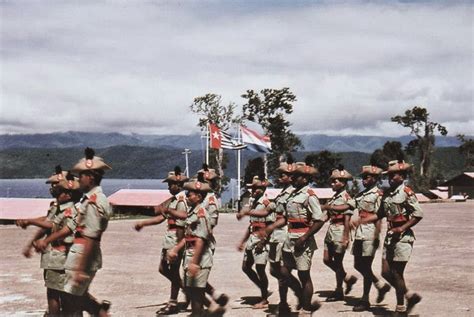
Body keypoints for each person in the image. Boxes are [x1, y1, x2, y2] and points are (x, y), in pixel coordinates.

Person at [17, 166, 80, 316]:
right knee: (56, 293)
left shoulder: (70, 209)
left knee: (57, 295)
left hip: (61, 257)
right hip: (54, 257)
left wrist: (30, 221)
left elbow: (52, 224)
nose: (54, 190)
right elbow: (46, 223)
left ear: (68, 193)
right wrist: (30, 243)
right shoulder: (57, 207)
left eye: (57, 188)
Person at [362, 159, 423, 314]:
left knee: (397, 273)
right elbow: (380, 214)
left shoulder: (406, 192)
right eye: (388, 175)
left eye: (393, 175)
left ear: (402, 176)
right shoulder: (387, 194)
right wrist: (361, 221)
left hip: (403, 238)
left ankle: (401, 308)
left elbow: (418, 214)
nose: (389, 178)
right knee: (385, 272)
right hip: (390, 237)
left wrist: (402, 228)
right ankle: (408, 296)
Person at [264, 161, 324, 315]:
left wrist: (304, 237)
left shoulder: (309, 196)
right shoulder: (292, 195)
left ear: (305, 179)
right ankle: (300, 296)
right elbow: (285, 217)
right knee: (283, 272)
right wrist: (271, 227)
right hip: (289, 238)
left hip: (302, 239)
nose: (293, 179)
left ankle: (305, 309)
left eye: (296, 177)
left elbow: (319, 220)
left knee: (304, 276)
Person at [62, 147, 112, 316]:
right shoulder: (93, 199)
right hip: (82, 253)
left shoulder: (93, 201)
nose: (78, 180)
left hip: (83, 255)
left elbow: (91, 236)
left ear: (90, 177)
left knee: (72, 299)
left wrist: (80, 269)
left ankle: (100, 311)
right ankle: (100, 310)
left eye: (81, 176)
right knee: (76, 298)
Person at [134, 166, 189, 315]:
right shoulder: (173, 200)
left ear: (178, 184)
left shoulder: (181, 201)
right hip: (169, 238)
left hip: (176, 238)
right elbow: (161, 217)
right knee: (163, 269)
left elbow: (182, 222)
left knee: (173, 271)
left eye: (171, 184)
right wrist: (143, 223)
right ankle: (185, 289)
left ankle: (173, 302)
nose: (169, 186)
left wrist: (178, 245)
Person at [167, 178, 214, 317]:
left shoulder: (201, 213)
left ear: (199, 197)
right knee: (191, 292)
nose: (187, 195)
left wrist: (194, 262)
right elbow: (189, 237)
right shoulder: (193, 211)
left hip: (199, 259)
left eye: (190, 194)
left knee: (196, 294)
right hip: (191, 256)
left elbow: (200, 240)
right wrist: (175, 249)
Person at [349, 165, 391, 312]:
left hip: (370, 233)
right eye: (363, 177)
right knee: (357, 264)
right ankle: (380, 285)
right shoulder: (362, 194)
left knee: (365, 265)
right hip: (360, 234)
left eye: (367, 177)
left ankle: (365, 299)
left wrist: (376, 235)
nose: (364, 179)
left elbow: (379, 216)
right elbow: (350, 206)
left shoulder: (378, 195)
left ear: (374, 179)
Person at [321, 165, 358, 302]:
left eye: (335, 181)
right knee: (326, 259)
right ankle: (347, 279)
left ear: (343, 183)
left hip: (340, 231)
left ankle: (338, 290)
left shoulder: (346, 197)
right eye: (332, 181)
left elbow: (347, 219)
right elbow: (326, 216)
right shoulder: (334, 197)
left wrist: (346, 237)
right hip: (331, 231)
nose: (332, 183)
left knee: (338, 262)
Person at [237, 175, 273, 309]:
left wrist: (263, 242)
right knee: (246, 267)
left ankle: (264, 299)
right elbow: (252, 224)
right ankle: (264, 289)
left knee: (260, 269)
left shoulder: (267, 204)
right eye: (253, 188)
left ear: (263, 188)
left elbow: (271, 226)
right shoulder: (253, 202)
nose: (254, 190)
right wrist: (242, 241)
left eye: (257, 188)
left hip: (261, 240)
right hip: (252, 238)